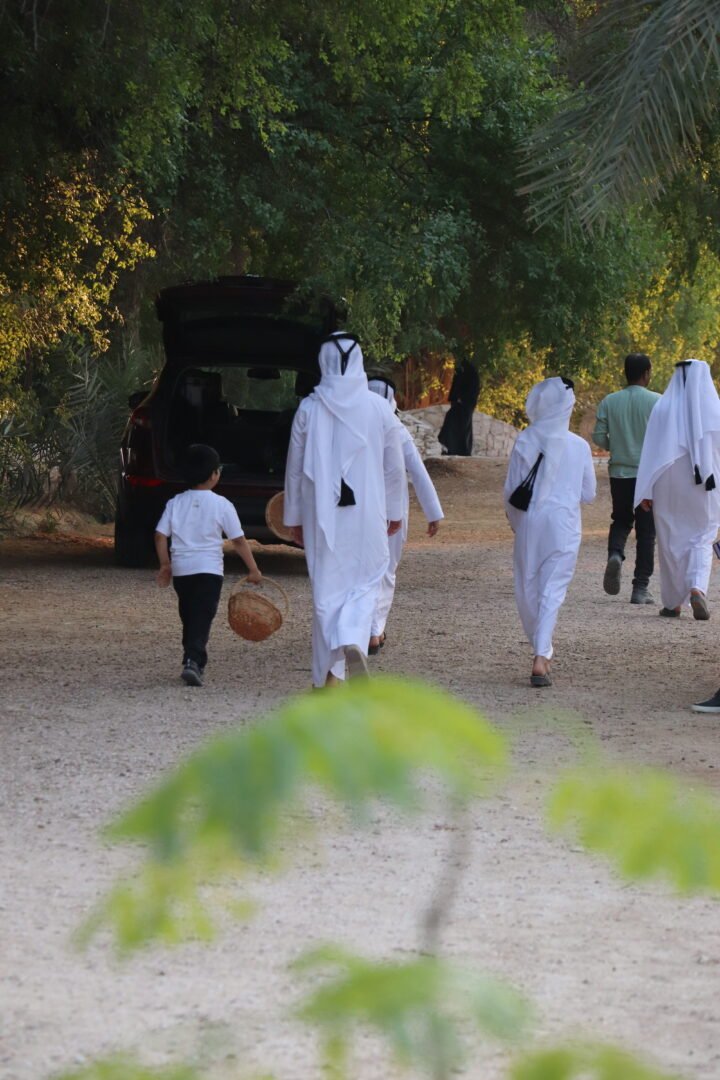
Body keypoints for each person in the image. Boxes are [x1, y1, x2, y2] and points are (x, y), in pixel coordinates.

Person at [283, 333, 406, 687]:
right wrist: (395, 510)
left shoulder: (309, 407)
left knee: (327, 590)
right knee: (367, 580)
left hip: (322, 514)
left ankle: (328, 677)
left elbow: (294, 468)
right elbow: (394, 467)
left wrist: (293, 517)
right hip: (368, 513)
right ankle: (351, 638)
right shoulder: (379, 408)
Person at [504, 377, 596, 687]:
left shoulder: (526, 439)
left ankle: (541, 647)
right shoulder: (580, 446)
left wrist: (517, 523)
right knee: (552, 589)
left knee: (528, 586)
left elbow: (512, 490)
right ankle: (541, 656)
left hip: (531, 522)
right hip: (565, 524)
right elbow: (589, 493)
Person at [155, 443, 262, 687]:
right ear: (214, 474)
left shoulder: (175, 503)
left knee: (190, 614)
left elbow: (160, 535)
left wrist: (165, 564)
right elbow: (238, 540)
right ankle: (194, 661)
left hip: (182, 570)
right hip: (209, 571)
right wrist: (253, 569)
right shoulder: (222, 504)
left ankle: (191, 658)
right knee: (202, 617)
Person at [634, 359, 720, 624]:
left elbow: (651, 454)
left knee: (670, 542)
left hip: (667, 485)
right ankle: (697, 587)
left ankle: (673, 604)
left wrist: (645, 489)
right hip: (706, 484)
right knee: (702, 537)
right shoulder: (714, 409)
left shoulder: (663, 407)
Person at [366, 376, 444, 653]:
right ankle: (374, 632)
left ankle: (359, 628)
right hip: (392, 512)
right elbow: (417, 472)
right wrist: (433, 512)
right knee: (386, 571)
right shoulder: (397, 429)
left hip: (357, 510)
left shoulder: (353, 427)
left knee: (363, 570)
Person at [592, 353, 661, 604]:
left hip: (619, 472)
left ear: (625, 373)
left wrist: (617, 445)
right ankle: (640, 588)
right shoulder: (658, 402)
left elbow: (598, 436)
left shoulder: (610, 401)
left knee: (621, 520)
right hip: (648, 475)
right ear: (647, 373)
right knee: (647, 531)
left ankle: (615, 554)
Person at [438, 359, 480, 456]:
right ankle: (450, 448)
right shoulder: (461, 371)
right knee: (452, 423)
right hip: (458, 404)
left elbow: (473, 390)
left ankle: (462, 451)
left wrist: (463, 399)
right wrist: (454, 398)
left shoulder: (471, 373)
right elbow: (455, 386)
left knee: (462, 428)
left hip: (466, 406)